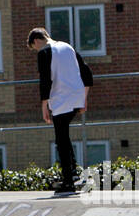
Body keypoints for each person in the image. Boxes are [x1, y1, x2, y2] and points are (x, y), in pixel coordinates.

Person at [27, 27, 94, 194]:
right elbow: (86, 72)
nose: (36, 50)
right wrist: (84, 97)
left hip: (60, 99)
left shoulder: (43, 53)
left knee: (61, 139)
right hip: (76, 95)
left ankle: (68, 180)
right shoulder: (67, 46)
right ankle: (72, 173)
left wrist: (44, 106)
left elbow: (45, 80)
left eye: (34, 47)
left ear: (36, 41)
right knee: (64, 136)